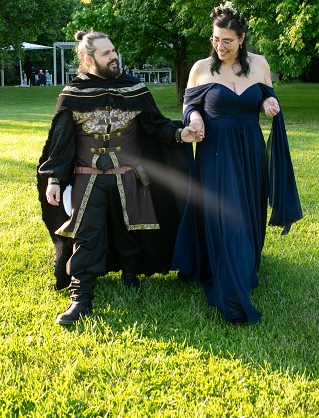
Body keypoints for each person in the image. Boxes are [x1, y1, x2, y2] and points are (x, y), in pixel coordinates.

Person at [37, 30, 200, 326]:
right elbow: (61, 141)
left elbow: (155, 125)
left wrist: (179, 134)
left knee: (129, 229)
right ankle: (81, 298)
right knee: (86, 235)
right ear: (89, 60)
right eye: (106, 54)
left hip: (128, 176)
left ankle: (130, 274)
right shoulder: (73, 93)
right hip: (88, 178)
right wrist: (54, 179)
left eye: (113, 51)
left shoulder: (134, 88)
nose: (114, 57)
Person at [172, 3, 303, 325]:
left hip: (249, 150)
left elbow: (266, 96)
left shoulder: (259, 64)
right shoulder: (201, 68)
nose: (220, 47)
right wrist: (196, 118)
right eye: (216, 39)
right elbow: (189, 105)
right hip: (215, 151)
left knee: (248, 210)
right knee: (225, 214)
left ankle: (246, 265)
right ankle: (231, 289)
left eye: (227, 41)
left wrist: (269, 102)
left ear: (242, 39)